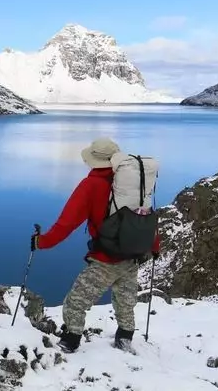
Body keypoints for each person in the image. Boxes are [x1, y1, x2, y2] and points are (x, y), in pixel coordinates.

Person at [30, 137, 160, 354]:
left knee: (75, 302)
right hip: (133, 253)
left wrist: (41, 242)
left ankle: (70, 341)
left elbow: (66, 223)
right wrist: (154, 246)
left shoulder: (91, 185)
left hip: (106, 258)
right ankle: (125, 338)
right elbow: (144, 216)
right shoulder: (134, 183)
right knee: (125, 299)